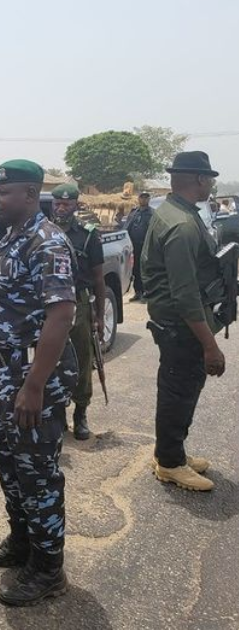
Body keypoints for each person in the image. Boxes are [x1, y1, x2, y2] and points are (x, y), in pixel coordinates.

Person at [0, 160, 78, 606]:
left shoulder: (47, 241)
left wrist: (34, 385)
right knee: (8, 463)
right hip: (4, 371)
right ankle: (22, 543)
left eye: (4, 193)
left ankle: (48, 569)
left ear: (32, 195)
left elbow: (61, 315)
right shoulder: (10, 237)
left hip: (31, 373)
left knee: (37, 473)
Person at [142, 151, 226, 492]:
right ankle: (170, 463)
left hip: (176, 323)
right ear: (200, 180)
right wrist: (210, 346)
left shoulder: (175, 212)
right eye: (210, 179)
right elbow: (185, 295)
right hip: (181, 327)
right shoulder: (182, 225)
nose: (212, 184)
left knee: (178, 390)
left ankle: (171, 452)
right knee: (179, 392)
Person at [51, 184, 105, 440]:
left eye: (67, 204)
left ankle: (80, 414)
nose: (61, 208)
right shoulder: (44, 233)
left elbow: (98, 278)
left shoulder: (88, 235)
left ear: (76, 205)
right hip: (50, 306)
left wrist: (100, 315)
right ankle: (58, 413)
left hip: (79, 305)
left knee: (83, 360)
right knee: (51, 360)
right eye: (57, 204)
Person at [125, 191, 154, 301]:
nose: (144, 199)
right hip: (133, 246)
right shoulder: (134, 212)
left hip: (145, 246)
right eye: (142, 197)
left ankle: (146, 293)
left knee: (145, 270)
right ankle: (137, 292)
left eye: (146, 197)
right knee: (135, 270)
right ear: (138, 198)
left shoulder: (152, 213)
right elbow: (127, 226)